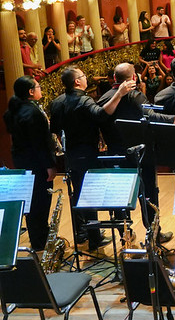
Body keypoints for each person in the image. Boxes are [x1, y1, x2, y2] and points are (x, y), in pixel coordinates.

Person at [98, 63, 175, 233]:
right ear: (134, 77)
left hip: (116, 155)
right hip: (141, 155)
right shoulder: (135, 96)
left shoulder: (104, 98)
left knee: (121, 196)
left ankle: (124, 234)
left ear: (114, 78)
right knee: (148, 195)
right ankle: (154, 235)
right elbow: (152, 117)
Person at [50, 67, 136, 250]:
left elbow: (55, 129)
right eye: (83, 76)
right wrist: (119, 94)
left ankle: (90, 237)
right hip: (89, 154)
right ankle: (110, 234)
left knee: (80, 196)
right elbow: (102, 115)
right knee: (97, 196)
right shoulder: (84, 100)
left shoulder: (57, 102)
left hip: (71, 156)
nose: (86, 78)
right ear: (77, 82)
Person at [3, 76, 56, 251]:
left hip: (22, 161)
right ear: (31, 92)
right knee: (40, 203)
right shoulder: (33, 112)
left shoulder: (14, 110)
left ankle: (39, 238)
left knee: (32, 202)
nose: (41, 89)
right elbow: (39, 143)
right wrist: (49, 165)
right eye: (38, 87)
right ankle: (40, 242)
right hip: (37, 163)